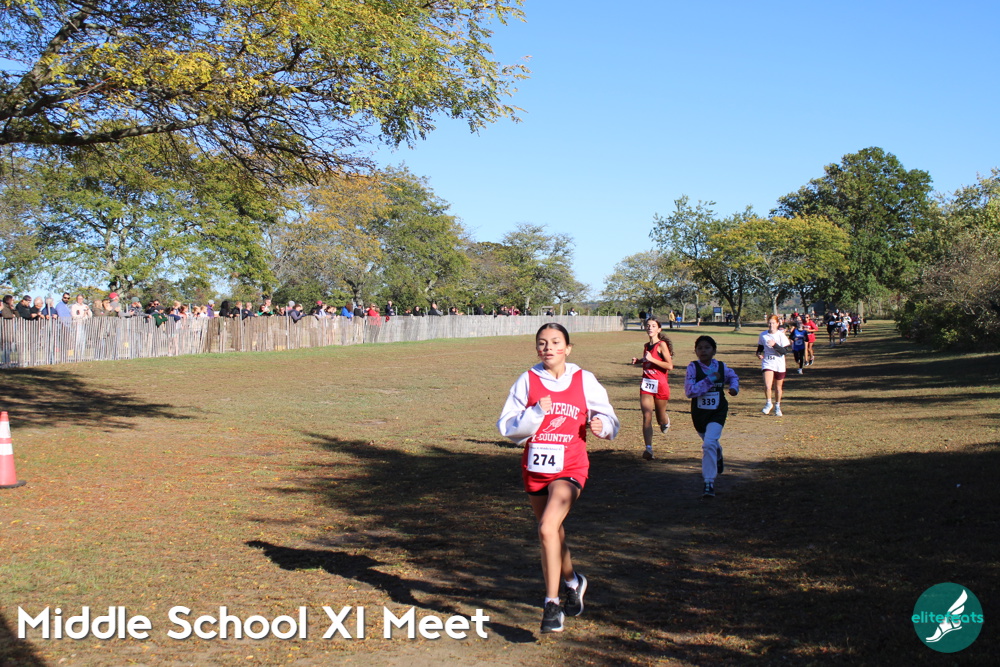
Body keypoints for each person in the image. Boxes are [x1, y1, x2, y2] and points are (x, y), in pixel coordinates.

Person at [497, 323, 620, 634]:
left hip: (570, 467)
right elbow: (507, 427)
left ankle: (551, 605)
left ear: (568, 348)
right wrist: (535, 413)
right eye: (542, 343)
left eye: (555, 342)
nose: (548, 348)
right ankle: (572, 581)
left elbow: (610, 419)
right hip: (536, 470)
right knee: (552, 532)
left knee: (547, 527)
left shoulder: (584, 379)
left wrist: (602, 425)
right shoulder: (527, 380)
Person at [685, 335, 740, 498]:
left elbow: (733, 377)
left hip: (718, 411)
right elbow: (690, 391)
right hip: (699, 414)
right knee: (710, 442)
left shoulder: (721, 367)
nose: (703, 351)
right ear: (695, 351)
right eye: (700, 348)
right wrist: (710, 380)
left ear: (714, 351)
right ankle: (718, 453)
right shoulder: (693, 367)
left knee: (708, 443)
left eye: (707, 347)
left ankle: (708, 482)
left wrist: (734, 388)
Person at [629, 316, 674, 460]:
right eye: (648, 325)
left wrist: (651, 359)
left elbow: (669, 366)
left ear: (659, 329)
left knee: (660, 419)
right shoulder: (646, 346)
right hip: (647, 384)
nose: (650, 328)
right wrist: (639, 361)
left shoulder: (661, 345)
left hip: (660, 385)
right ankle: (648, 449)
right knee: (647, 415)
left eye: (653, 326)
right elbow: (648, 360)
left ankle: (665, 420)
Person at [757, 314, 790, 416]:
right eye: (769, 323)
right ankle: (768, 403)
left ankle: (777, 406)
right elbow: (760, 347)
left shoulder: (781, 336)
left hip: (779, 363)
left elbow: (784, 351)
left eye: (773, 323)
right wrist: (758, 354)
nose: (771, 325)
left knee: (778, 388)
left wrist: (774, 345)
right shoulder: (763, 335)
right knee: (767, 385)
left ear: (778, 324)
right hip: (768, 362)